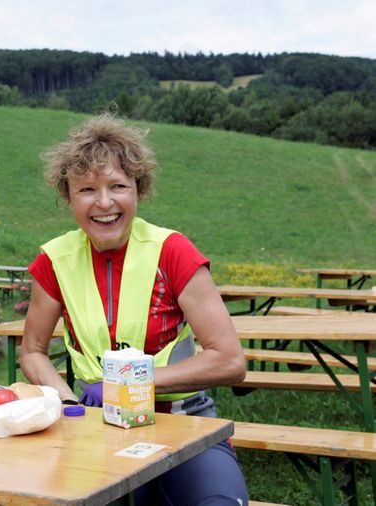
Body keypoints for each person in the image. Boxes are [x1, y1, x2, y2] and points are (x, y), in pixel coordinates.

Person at [20, 113, 249, 505]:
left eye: (118, 186)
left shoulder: (173, 251)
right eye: (87, 189)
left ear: (138, 191)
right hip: (94, 427)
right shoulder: (53, 261)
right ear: (69, 197)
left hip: (182, 422)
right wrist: (68, 401)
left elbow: (230, 361)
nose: (104, 202)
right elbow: (32, 351)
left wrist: (125, 384)